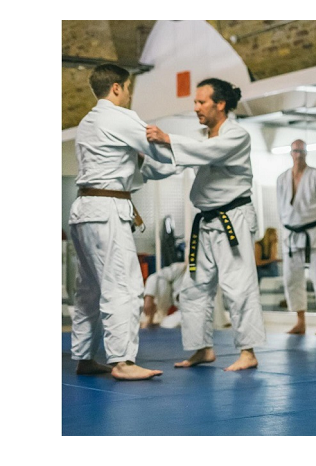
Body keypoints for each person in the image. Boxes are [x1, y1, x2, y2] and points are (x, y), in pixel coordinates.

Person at [145, 77, 265, 371]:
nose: (196, 107)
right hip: (207, 222)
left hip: (232, 220)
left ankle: (248, 352)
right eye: (195, 102)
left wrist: (168, 138)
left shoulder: (236, 135)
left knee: (238, 285)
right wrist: (143, 157)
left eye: (201, 102)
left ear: (220, 104)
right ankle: (202, 348)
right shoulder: (207, 141)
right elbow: (177, 162)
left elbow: (204, 153)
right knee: (194, 286)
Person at [68, 63, 176, 381]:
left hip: (84, 210)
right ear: (117, 87)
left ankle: (85, 357)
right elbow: (158, 150)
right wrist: (192, 155)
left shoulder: (87, 121)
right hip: (107, 210)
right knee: (124, 285)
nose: (129, 94)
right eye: (128, 88)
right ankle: (123, 362)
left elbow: (125, 163)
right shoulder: (120, 117)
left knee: (88, 288)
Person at [275, 139, 316, 336]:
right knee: (292, 278)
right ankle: (300, 321)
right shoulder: (281, 179)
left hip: (314, 231)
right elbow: (280, 208)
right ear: (290, 153)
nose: (299, 154)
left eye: (301, 151)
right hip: (291, 234)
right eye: (295, 151)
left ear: (306, 153)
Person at [142, 262, 188, 329]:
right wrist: (149, 296)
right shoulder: (182, 268)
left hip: (189, 313)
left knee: (169, 323)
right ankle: (150, 317)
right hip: (167, 305)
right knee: (160, 282)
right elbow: (155, 277)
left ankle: (156, 321)